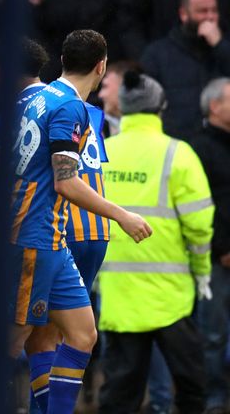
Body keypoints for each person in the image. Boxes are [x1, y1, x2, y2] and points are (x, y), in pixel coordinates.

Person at [0, 29, 152, 414]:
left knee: (82, 335)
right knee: (13, 341)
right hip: (32, 239)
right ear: (101, 67)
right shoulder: (70, 108)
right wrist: (122, 215)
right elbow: (66, 182)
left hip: (53, 241)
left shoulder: (36, 97)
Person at [97, 71, 213, 414]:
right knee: (191, 388)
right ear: (161, 108)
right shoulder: (179, 154)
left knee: (119, 395)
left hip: (119, 296)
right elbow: (200, 225)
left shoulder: (102, 153)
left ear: (124, 107)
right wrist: (201, 272)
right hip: (171, 297)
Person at [141, 0, 230, 141]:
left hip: (221, 145)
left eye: (214, 11)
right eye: (203, 11)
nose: (210, 17)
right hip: (177, 142)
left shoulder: (223, 49)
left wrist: (219, 45)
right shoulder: (157, 54)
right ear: (184, 14)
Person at [191, 77, 230, 414]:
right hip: (218, 259)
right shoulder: (199, 148)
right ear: (214, 105)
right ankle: (215, 396)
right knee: (213, 334)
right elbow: (201, 207)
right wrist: (222, 248)